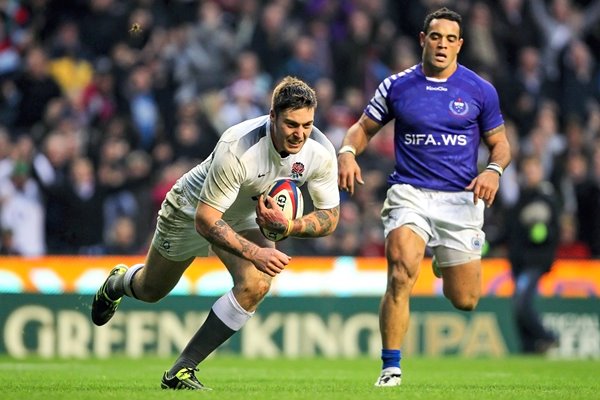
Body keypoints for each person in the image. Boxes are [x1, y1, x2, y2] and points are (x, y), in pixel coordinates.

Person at [91, 76, 340, 390]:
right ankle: (118, 283)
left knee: (256, 284)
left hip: (243, 216)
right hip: (191, 208)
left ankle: (182, 370)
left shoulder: (320, 150)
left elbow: (331, 217)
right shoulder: (238, 145)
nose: (300, 134)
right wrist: (256, 252)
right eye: (292, 124)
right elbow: (206, 221)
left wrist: (290, 226)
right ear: (272, 116)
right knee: (151, 291)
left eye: (307, 125)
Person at [337, 7, 511, 387]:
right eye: (436, 37)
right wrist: (347, 153)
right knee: (400, 272)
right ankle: (391, 368)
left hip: (459, 200)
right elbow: (361, 129)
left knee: (465, 299)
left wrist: (493, 172)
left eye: (450, 39)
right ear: (422, 39)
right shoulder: (397, 85)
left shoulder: (480, 90)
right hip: (410, 192)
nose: (442, 45)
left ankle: (441, 262)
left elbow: (500, 145)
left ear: (460, 45)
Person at [507, 155, 559, 353]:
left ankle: (548, 337)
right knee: (518, 305)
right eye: (527, 171)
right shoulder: (521, 198)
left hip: (535, 260)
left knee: (522, 303)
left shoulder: (545, 196)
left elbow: (553, 230)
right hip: (520, 261)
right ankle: (529, 348)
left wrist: (543, 233)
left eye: (533, 170)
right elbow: (511, 230)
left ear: (540, 171)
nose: (529, 174)